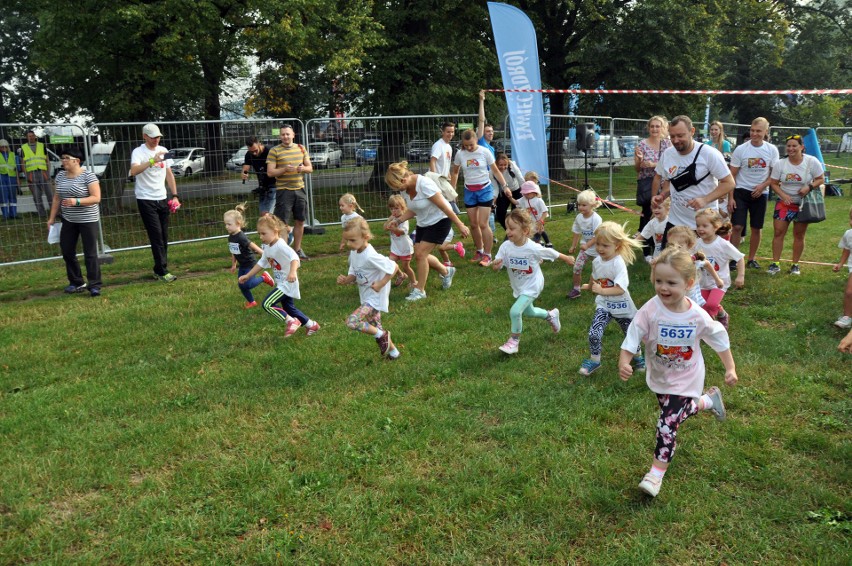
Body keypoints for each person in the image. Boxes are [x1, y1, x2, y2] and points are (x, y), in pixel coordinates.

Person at [619, 245, 738, 498]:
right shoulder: (650, 309)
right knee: (675, 414)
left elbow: (719, 337)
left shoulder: (696, 315)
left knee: (667, 423)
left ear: (688, 283)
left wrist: (730, 367)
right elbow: (633, 334)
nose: (663, 288)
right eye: (658, 281)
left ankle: (655, 474)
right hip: (661, 375)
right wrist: (625, 360)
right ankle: (707, 401)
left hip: (687, 376)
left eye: (671, 282)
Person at [491, 209, 575, 355]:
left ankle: (514, 342)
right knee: (529, 312)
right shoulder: (505, 247)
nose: (508, 231)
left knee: (515, 311)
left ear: (525, 230)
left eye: (512, 228)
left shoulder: (533, 248)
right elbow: (497, 264)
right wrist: (496, 265)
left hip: (533, 285)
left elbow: (550, 253)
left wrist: (566, 258)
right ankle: (551, 315)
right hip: (519, 286)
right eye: (507, 228)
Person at [385, 161, 470, 302]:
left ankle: (420, 291)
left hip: (440, 221)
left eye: (398, 186)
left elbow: (445, 206)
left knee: (420, 254)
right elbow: (413, 209)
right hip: (423, 223)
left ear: (404, 178)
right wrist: (398, 221)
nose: (398, 189)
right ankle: (446, 271)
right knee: (419, 255)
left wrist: (460, 224)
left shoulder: (424, 184)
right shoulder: (404, 188)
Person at [652, 115, 735, 244]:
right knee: (668, 262)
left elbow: (729, 182)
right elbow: (670, 180)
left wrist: (705, 200)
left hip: (703, 224)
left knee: (700, 263)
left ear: (692, 131)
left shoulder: (709, 154)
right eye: (672, 136)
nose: (675, 140)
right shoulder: (668, 154)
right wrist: (662, 195)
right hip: (675, 222)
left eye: (680, 135)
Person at [578, 221, 644, 376]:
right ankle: (595, 360)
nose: (600, 249)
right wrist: (590, 285)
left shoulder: (618, 264)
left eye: (605, 245)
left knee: (630, 334)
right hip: (604, 305)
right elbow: (594, 275)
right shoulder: (596, 260)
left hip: (622, 307)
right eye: (598, 244)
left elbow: (620, 288)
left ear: (617, 246)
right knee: (594, 332)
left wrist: (601, 289)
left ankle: (638, 357)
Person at [238, 214, 320, 337]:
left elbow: (295, 258)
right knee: (289, 309)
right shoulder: (267, 247)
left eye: (264, 233)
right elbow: (261, 262)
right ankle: (311, 325)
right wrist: (248, 275)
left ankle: (291, 321)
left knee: (267, 304)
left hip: (287, 283)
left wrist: (292, 272)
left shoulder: (281, 245)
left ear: (275, 231)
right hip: (282, 283)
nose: (261, 237)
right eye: (259, 234)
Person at [337, 217, 401, 360]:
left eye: (352, 240)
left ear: (365, 237)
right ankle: (394, 353)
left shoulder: (371, 256)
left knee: (352, 322)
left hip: (375, 297)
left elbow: (394, 267)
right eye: (347, 240)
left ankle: (381, 335)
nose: (349, 244)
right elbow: (354, 272)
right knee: (376, 326)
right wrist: (347, 279)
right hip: (366, 296)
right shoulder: (355, 252)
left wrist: (381, 283)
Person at [46, 146, 102, 296]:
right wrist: (51, 218)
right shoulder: (60, 176)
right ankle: (77, 282)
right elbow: (57, 197)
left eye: (66, 158)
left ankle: (95, 284)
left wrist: (76, 201)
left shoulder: (88, 176)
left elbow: (96, 198)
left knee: (90, 253)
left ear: (77, 161)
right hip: (69, 219)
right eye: (62, 158)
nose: (63, 161)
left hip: (88, 219)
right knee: (67, 251)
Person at [767, 134, 825, 276]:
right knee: (779, 232)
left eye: (794, 146)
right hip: (784, 203)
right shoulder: (781, 164)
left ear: (802, 147)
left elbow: (821, 179)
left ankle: (795, 264)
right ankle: (775, 263)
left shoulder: (812, 161)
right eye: (789, 146)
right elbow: (773, 183)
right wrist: (783, 195)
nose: (791, 149)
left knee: (799, 234)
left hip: (802, 204)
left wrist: (809, 187)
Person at [129, 123, 180, 282]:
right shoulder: (138, 152)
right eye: (152, 137)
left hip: (162, 198)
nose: (156, 140)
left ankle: (159, 268)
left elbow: (169, 174)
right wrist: (152, 160)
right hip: (145, 199)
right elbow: (134, 171)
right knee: (156, 235)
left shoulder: (164, 150)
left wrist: (175, 195)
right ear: (145, 136)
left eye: (158, 137)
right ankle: (162, 270)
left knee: (163, 235)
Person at [450, 129, 506, 267]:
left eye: (471, 145)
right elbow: (455, 172)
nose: (468, 148)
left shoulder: (484, 151)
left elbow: (495, 170)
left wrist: (505, 186)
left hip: (485, 190)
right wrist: (452, 191)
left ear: (476, 140)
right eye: (466, 145)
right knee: (474, 224)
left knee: (483, 224)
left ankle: (488, 255)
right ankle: (479, 251)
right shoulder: (460, 154)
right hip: (469, 191)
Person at [728, 117, 779, 270]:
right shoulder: (741, 149)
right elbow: (732, 175)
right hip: (741, 191)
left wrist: (763, 186)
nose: (754, 134)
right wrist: (730, 198)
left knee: (756, 227)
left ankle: (751, 259)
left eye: (758, 131)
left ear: (765, 132)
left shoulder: (772, 150)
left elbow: (774, 174)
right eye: (752, 130)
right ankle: (733, 259)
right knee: (737, 226)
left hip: (761, 193)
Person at [267, 124, 313, 260]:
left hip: (300, 189)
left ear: (293, 135)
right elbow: (270, 172)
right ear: (279, 136)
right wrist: (284, 169)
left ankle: (297, 250)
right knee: (282, 223)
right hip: (284, 191)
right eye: (283, 134)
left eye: (288, 134)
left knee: (300, 221)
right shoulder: (274, 151)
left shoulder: (301, 148)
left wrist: (302, 169)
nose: (285, 137)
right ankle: (284, 253)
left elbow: (310, 168)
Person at [694, 208, 744, 329]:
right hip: (703, 282)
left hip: (720, 282)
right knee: (703, 306)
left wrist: (740, 276)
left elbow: (740, 258)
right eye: (698, 225)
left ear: (716, 227)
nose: (700, 229)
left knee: (711, 305)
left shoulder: (723, 244)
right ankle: (716, 320)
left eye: (705, 226)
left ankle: (716, 321)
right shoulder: (696, 243)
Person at [224, 203, 274, 308]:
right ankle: (252, 302)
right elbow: (234, 251)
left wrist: (266, 255)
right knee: (241, 284)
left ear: (238, 224)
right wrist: (233, 264)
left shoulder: (241, 236)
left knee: (247, 284)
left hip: (250, 264)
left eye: (229, 224)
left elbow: (253, 246)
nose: (226, 226)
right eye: (226, 224)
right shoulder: (231, 237)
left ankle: (264, 278)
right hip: (242, 265)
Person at [635, 116, 671, 257]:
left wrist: (653, 164)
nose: (655, 129)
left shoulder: (668, 144)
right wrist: (639, 160)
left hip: (665, 184)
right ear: (648, 128)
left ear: (663, 128)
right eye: (652, 126)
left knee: (665, 215)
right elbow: (637, 169)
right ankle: (646, 250)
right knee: (648, 215)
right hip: (648, 184)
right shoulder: (642, 145)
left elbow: (671, 164)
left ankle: (663, 246)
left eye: (658, 126)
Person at [567, 189, 603, 299]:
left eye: (584, 205)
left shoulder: (596, 218)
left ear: (592, 205)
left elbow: (597, 236)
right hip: (585, 249)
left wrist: (588, 245)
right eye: (579, 205)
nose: (581, 207)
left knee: (598, 270)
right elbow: (577, 232)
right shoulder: (579, 217)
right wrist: (573, 245)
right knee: (577, 268)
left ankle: (594, 286)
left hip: (597, 249)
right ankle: (576, 289)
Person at [18, 130, 54, 218]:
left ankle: (55, 213)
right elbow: (23, 163)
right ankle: (41, 214)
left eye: (32, 135)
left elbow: (47, 160)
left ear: (35, 136)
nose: (31, 137)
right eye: (29, 136)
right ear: (26, 137)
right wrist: (27, 176)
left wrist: (48, 173)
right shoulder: (23, 148)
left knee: (50, 194)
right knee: (36, 195)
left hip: (43, 172)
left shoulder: (42, 145)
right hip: (31, 173)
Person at [384, 194, 417, 288]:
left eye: (396, 208)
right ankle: (401, 275)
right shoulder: (392, 218)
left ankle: (414, 281)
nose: (393, 211)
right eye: (391, 209)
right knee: (390, 263)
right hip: (395, 248)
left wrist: (394, 228)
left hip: (405, 247)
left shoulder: (403, 219)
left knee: (406, 267)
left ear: (402, 208)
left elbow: (402, 232)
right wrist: (388, 221)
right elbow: (384, 227)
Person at [241, 136, 277, 216]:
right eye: (251, 151)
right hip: (262, 186)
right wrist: (244, 173)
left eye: (256, 150)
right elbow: (246, 168)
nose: (254, 153)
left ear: (260, 144)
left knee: (266, 215)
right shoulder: (248, 155)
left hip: (275, 185)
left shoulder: (271, 151)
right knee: (263, 214)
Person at [492, 153, 524, 231]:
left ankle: (519, 231)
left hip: (516, 190)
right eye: (500, 165)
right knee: (500, 213)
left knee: (516, 214)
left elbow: (521, 179)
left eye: (505, 165)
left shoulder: (512, 166)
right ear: (496, 164)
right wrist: (493, 200)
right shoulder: (492, 172)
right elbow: (495, 188)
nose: (503, 167)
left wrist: (525, 192)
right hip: (503, 192)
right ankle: (509, 231)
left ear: (508, 163)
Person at [832, 206, 852, 329]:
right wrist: (840, 264)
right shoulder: (848, 234)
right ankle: (846, 317)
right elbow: (846, 250)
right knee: (849, 292)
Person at [516, 181, 551, 247]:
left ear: (534, 193)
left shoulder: (539, 201)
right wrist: (509, 197)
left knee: (538, 232)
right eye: (524, 194)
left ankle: (541, 244)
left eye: (527, 193)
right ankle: (544, 243)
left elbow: (545, 211)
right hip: (531, 222)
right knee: (539, 231)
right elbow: (516, 202)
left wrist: (541, 221)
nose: (525, 195)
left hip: (539, 221)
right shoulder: (524, 199)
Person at [0, 139, 18, 219]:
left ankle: (13, 214)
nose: (4, 148)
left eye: (5, 146)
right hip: (1, 177)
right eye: (2, 147)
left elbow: (17, 168)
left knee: (12, 196)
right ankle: (5, 215)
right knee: (3, 196)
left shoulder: (13, 155)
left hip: (12, 177)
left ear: (8, 147)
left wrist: (18, 179)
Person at [476, 90, 496, 157]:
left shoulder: (492, 148)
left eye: (492, 131)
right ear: (482, 133)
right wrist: (481, 100)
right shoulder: (481, 141)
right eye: (488, 131)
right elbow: (481, 120)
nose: (491, 133)